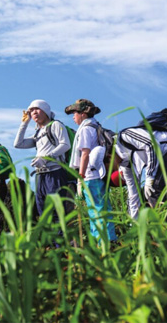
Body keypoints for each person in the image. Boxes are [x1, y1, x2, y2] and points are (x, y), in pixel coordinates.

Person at [114, 115, 167, 212]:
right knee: (143, 199)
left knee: (155, 194)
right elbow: (133, 197)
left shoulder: (124, 136)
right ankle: (147, 226)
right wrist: (133, 223)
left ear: (109, 156)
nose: (112, 169)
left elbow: (152, 145)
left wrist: (150, 177)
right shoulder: (125, 165)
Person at [14, 99, 74, 224]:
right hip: (40, 175)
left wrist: (46, 158)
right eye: (31, 110)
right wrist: (24, 123)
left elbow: (65, 144)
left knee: (56, 211)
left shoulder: (56, 125)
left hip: (55, 173)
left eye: (37, 109)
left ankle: (61, 243)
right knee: (43, 212)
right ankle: (52, 242)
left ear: (46, 111)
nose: (33, 112)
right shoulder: (38, 133)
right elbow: (18, 144)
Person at [65, 99, 117, 243]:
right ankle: (105, 241)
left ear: (83, 114)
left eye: (75, 113)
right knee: (99, 209)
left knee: (97, 210)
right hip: (96, 174)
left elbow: (85, 153)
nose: (73, 117)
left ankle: (104, 243)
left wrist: (80, 177)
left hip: (90, 175)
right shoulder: (94, 126)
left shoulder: (86, 128)